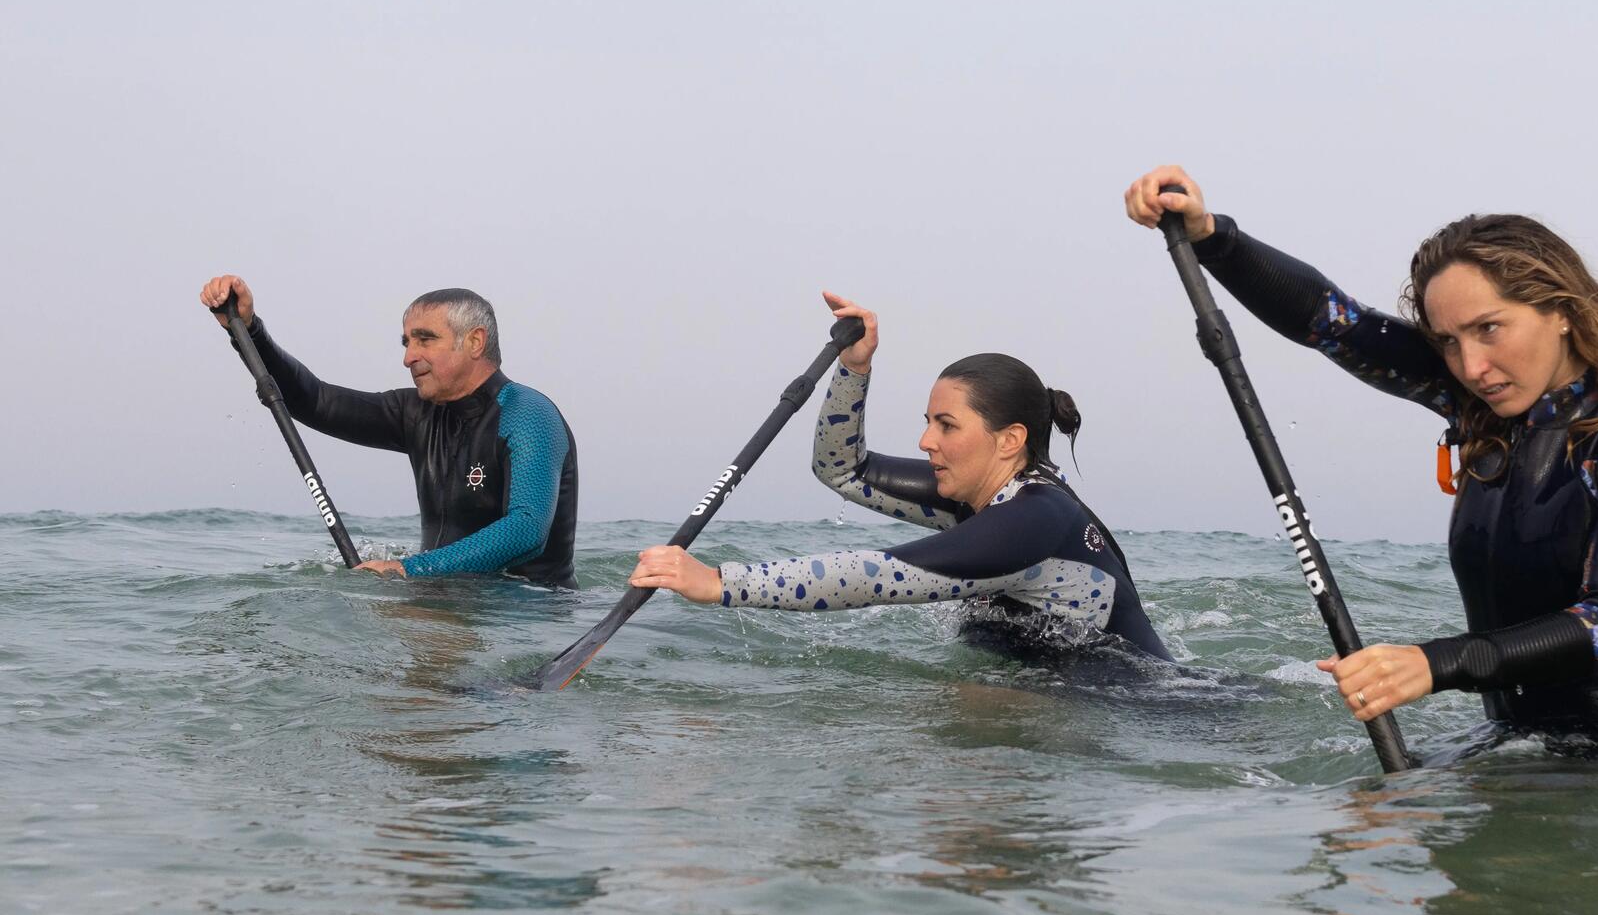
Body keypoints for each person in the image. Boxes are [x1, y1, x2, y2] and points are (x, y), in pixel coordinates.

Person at [1123, 165, 1598, 756]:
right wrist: (1211, 237)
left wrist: (1431, 665)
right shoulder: (1484, 408)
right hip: (1520, 750)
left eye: (1490, 329)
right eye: (1448, 342)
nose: (1471, 367)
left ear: (1563, 310)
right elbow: (1332, 322)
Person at [628, 293, 1172, 660]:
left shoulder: (1034, 519)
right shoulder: (976, 499)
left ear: (1010, 440)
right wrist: (854, 368)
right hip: (1045, 690)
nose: (925, 441)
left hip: (1137, 709)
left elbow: (880, 574)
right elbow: (842, 471)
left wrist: (720, 583)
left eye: (946, 425)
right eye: (927, 422)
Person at [199, 275, 579, 588]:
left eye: (425, 339)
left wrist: (406, 569)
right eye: (407, 342)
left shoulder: (528, 414)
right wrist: (249, 330)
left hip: (530, 616)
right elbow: (314, 401)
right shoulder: (415, 413)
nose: (408, 357)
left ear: (475, 342)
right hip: (443, 604)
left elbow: (528, 530)